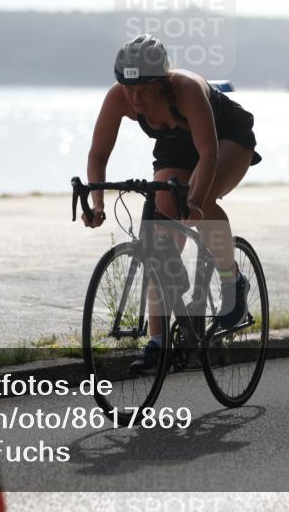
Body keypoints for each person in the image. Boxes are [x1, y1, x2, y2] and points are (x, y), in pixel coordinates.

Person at [82, 34, 262, 374]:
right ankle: (159, 345)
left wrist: (193, 200)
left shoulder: (187, 90)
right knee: (159, 246)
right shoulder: (120, 96)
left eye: (144, 90)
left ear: (163, 83)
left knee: (201, 199)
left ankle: (231, 279)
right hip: (175, 146)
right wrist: (98, 203)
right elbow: (98, 154)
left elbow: (208, 154)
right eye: (129, 89)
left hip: (226, 138)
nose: (135, 98)